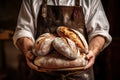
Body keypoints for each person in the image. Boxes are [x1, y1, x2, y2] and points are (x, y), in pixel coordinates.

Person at [13, 0, 112, 80]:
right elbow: (23, 31)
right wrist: (29, 51)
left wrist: (92, 52)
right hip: (41, 73)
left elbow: (100, 32)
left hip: (81, 74)